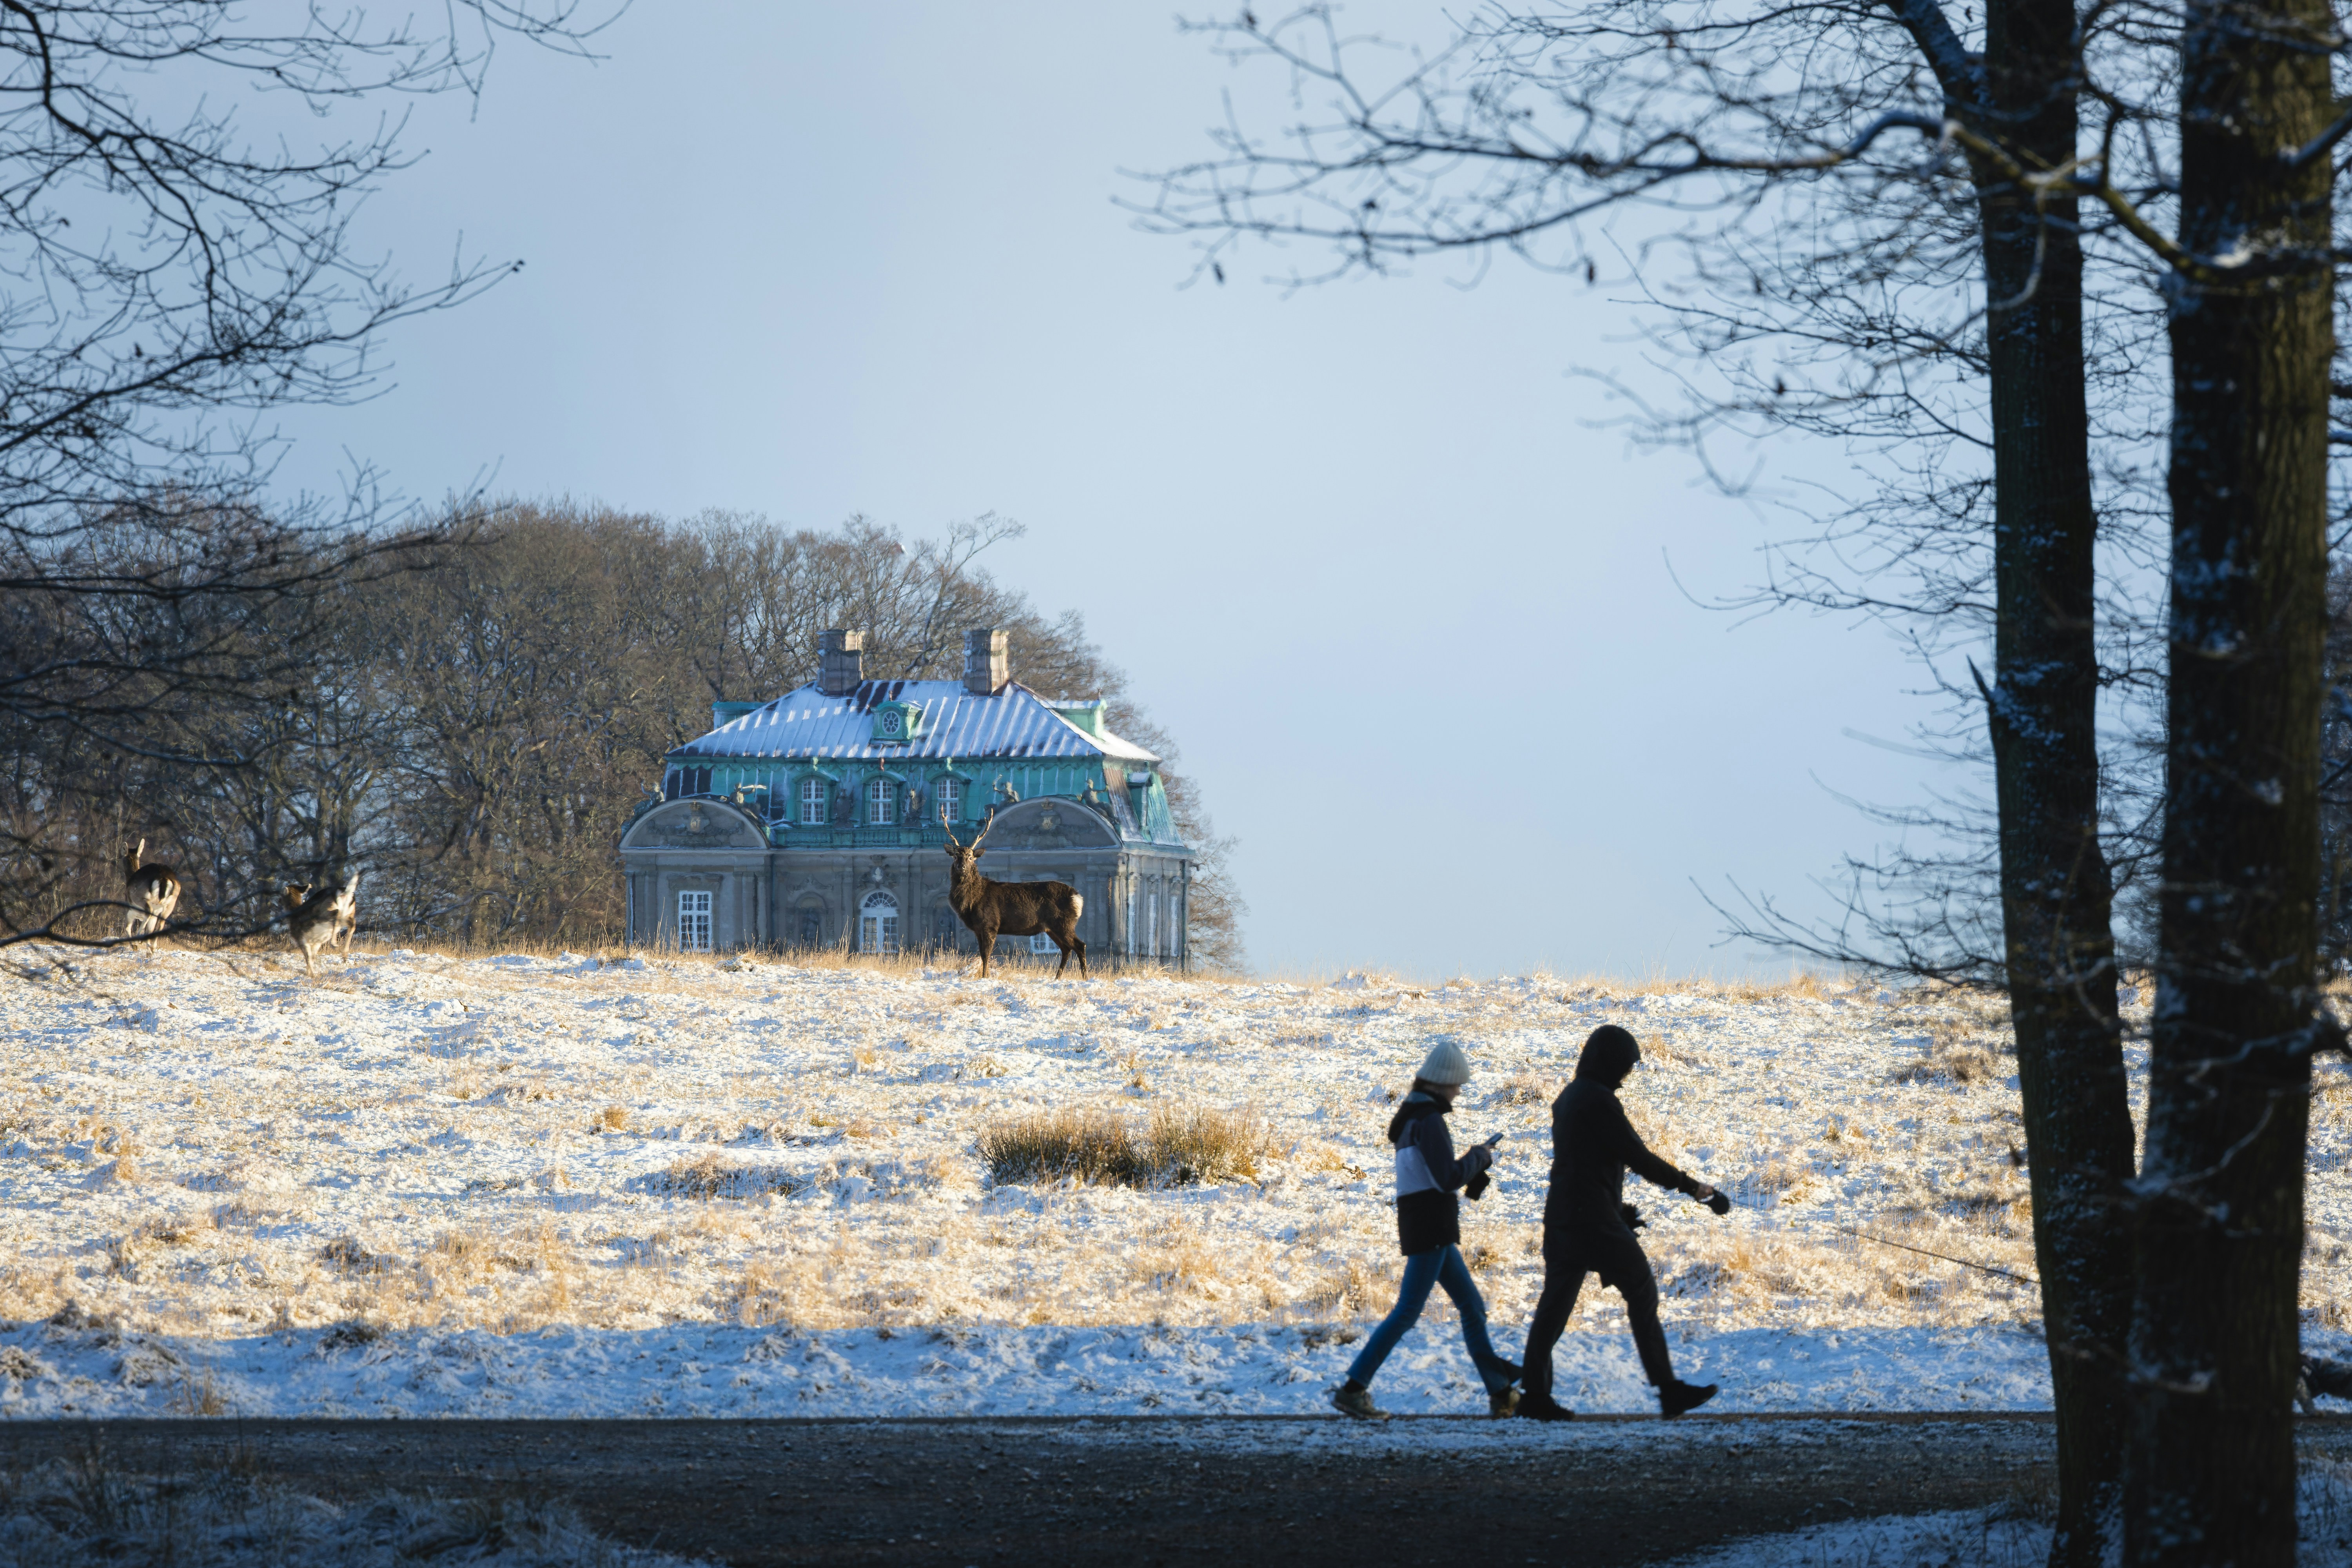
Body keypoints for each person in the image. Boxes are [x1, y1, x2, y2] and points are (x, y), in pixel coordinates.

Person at [1518, 1024, 1732, 1421]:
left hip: (1565, 1215)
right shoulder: (1598, 1100)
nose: (1627, 1074)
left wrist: (1617, 1209)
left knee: (1553, 1308)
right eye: (1626, 1065)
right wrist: (1693, 1187)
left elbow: (1586, 1163)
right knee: (1642, 1290)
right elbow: (1638, 1157)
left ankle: (1534, 1396)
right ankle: (1668, 1391)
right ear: (1613, 1062)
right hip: (1593, 1220)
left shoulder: (1569, 1098)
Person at [1331, 1040, 1523, 1420]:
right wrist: (1480, 1156)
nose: (1459, 1091)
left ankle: (1501, 1393)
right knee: (1407, 1313)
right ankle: (1353, 1389)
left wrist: (1471, 1162)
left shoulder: (1410, 1120)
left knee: (1472, 1307)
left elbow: (1434, 1176)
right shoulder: (1429, 1120)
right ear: (1441, 1082)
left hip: (1427, 1226)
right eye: (1456, 1084)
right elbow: (1446, 1177)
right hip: (1432, 1227)